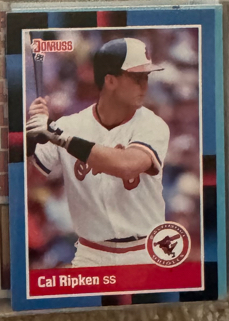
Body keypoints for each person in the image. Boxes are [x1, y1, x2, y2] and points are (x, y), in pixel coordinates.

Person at [26, 36, 169, 268]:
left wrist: (60, 137)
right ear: (110, 81)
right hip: (89, 252)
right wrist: (32, 132)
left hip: (141, 249)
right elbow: (29, 176)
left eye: (146, 77)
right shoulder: (69, 123)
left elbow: (127, 166)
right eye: (136, 78)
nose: (145, 85)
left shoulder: (152, 124)